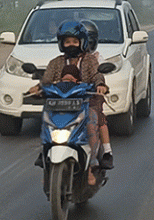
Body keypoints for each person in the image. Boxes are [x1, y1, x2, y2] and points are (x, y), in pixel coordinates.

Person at [31, 20, 110, 185]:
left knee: (91, 122)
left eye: (75, 41)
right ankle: (44, 150)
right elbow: (46, 80)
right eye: (67, 42)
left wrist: (100, 85)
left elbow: (97, 75)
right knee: (46, 120)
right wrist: (37, 88)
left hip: (86, 103)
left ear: (82, 42)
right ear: (61, 43)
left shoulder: (90, 61)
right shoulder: (56, 62)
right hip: (59, 104)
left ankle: (92, 163)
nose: (71, 45)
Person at [79, 19, 114, 170]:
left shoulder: (97, 58)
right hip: (71, 98)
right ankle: (47, 149)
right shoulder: (66, 59)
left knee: (99, 118)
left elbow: (99, 75)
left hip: (91, 96)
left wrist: (100, 86)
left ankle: (107, 151)